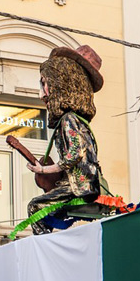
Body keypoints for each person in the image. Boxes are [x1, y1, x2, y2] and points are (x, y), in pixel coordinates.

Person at [23, 45, 114, 234]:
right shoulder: (77, 120)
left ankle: (45, 250)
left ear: (62, 84)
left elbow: (74, 155)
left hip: (80, 186)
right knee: (48, 211)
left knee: (35, 207)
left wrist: (43, 169)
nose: (42, 94)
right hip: (81, 183)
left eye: (45, 85)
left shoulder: (68, 120)